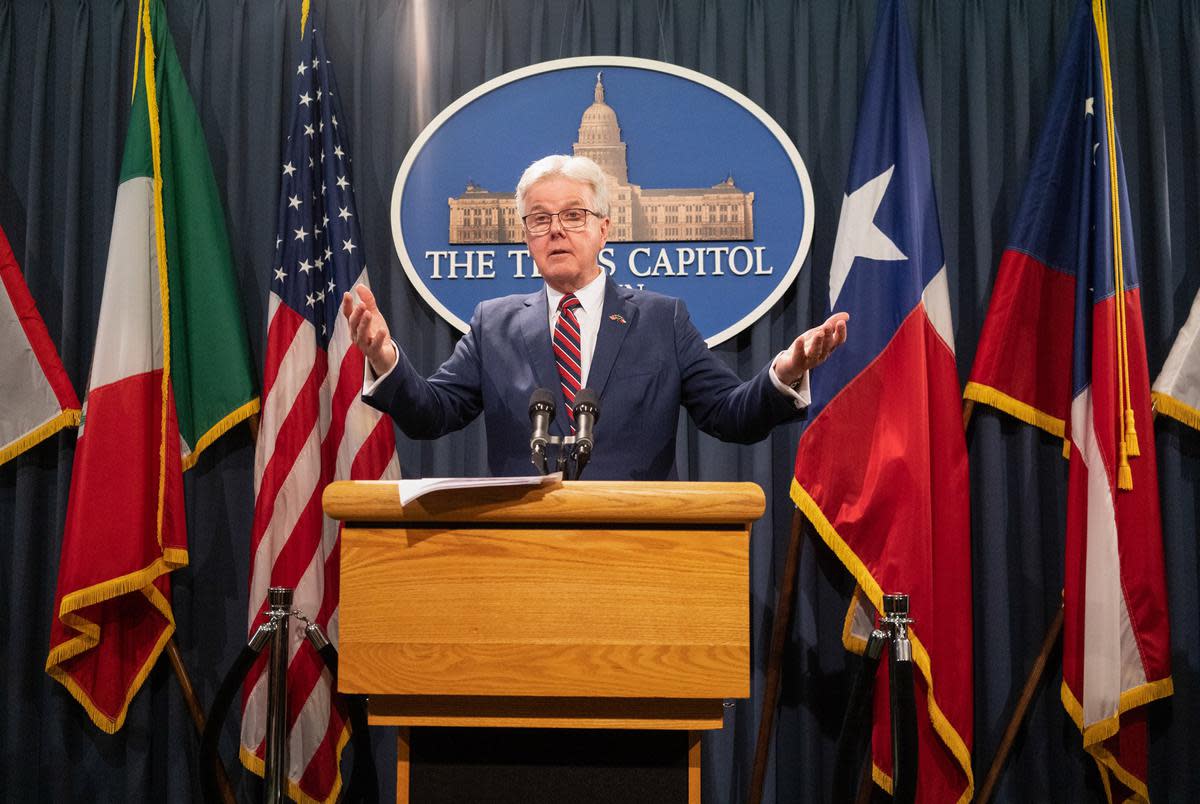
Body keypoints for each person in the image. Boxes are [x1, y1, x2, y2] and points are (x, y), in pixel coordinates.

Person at [341, 154, 848, 480]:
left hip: (638, 549)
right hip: (522, 555)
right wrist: (386, 359)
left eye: (573, 216)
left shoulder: (661, 320)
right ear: (526, 236)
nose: (556, 230)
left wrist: (784, 371)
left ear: (604, 229)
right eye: (540, 218)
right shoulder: (491, 324)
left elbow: (730, 414)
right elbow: (433, 413)